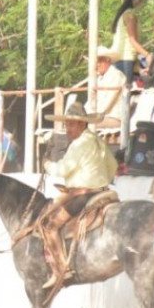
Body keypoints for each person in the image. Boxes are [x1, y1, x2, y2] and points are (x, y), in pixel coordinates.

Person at [36, 103, 117, 289]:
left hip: (83, 195)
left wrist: (46, 164)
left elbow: (62, 169)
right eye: (67, 125)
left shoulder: (78, 144)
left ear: (82, 124)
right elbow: (112, 166)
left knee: (49, 225)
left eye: (71, 124)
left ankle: (61, 269)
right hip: (103, 192)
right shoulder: (97, 141)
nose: (68, 129)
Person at [109, 0, 153, 85]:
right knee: (127, 89)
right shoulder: (130, 15)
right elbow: (132, 41)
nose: (144, 2)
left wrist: (139, 69)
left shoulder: (126, 14)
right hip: (125, 59)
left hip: (125, 58)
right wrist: (147, 55)